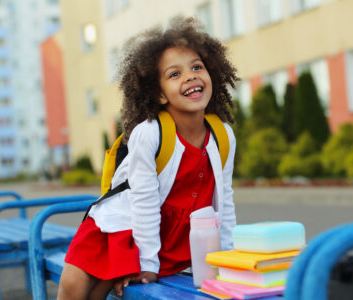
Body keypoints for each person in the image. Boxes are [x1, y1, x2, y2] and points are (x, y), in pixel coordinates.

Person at [58, 17, 238, 300]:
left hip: (172, 238)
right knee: (74, 287)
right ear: (159, 93)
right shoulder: (149, 134)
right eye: (174, 74)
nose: (190, 76)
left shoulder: (222, 135)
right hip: (123, 226)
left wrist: (228, 261)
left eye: (196, 67)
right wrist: (147, 264)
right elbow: (143, 203)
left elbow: (223, 202)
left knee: (111, 291)